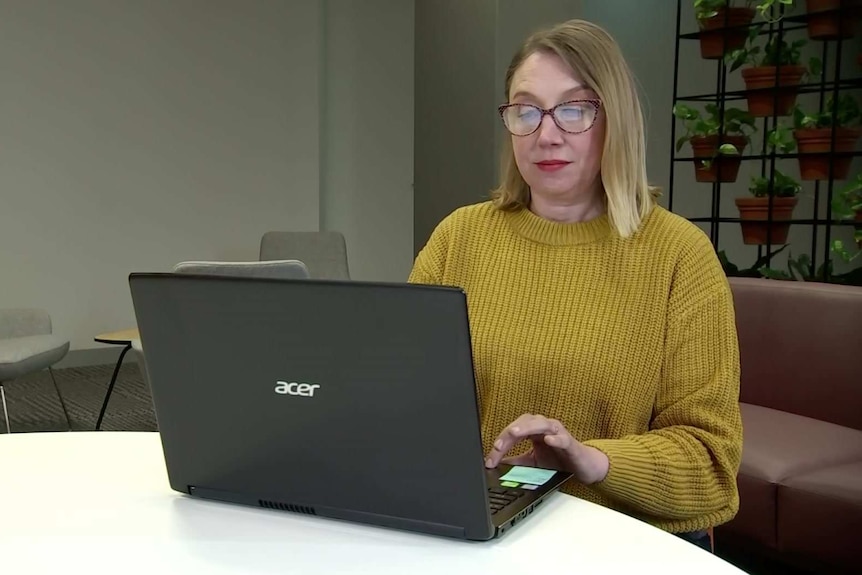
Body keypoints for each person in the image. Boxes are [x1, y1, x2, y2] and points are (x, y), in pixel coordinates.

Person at [408, 19, 743, 551]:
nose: (546, 133)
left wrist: (590, 459)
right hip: (480, 534)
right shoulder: (459, 237)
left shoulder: (679, 255)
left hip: (623, 542)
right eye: (526, 109)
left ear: (616, 120)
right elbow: (400, 395)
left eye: (574, 108)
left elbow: (710, 465)